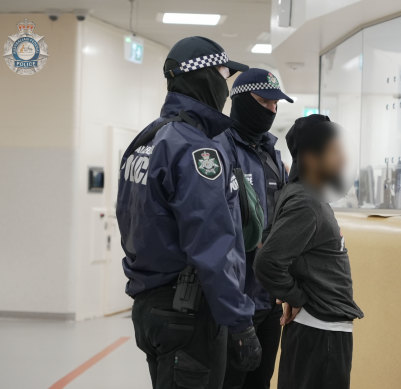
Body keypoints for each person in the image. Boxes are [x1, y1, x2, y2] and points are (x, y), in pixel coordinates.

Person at [116, 36, 261, 389]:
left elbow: (127, 217)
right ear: (205, 77)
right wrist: (240, 322)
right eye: (223, 76)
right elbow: (212, 246)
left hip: (151, 306)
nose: (225, 90)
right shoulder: (196, 151)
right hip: (189, 313)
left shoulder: (148, 139)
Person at [254, 114, 364, 389]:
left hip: (319, 331)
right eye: (335, 152)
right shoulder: (306, 203)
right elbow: (268, 262)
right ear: (311, 158)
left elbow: (272, 243)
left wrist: (295, 294)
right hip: (320, 334)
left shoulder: (305, 196)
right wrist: (297, 296)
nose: (343, 160)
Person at [215, 69, 293, 389]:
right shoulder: (219, 149)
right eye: (264, 102)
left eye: (276, 106)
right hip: (235, 303)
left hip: (270, 302)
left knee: (261, 381)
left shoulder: (273, 156)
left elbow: (285, 222)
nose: (271, 112)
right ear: (243, 101)